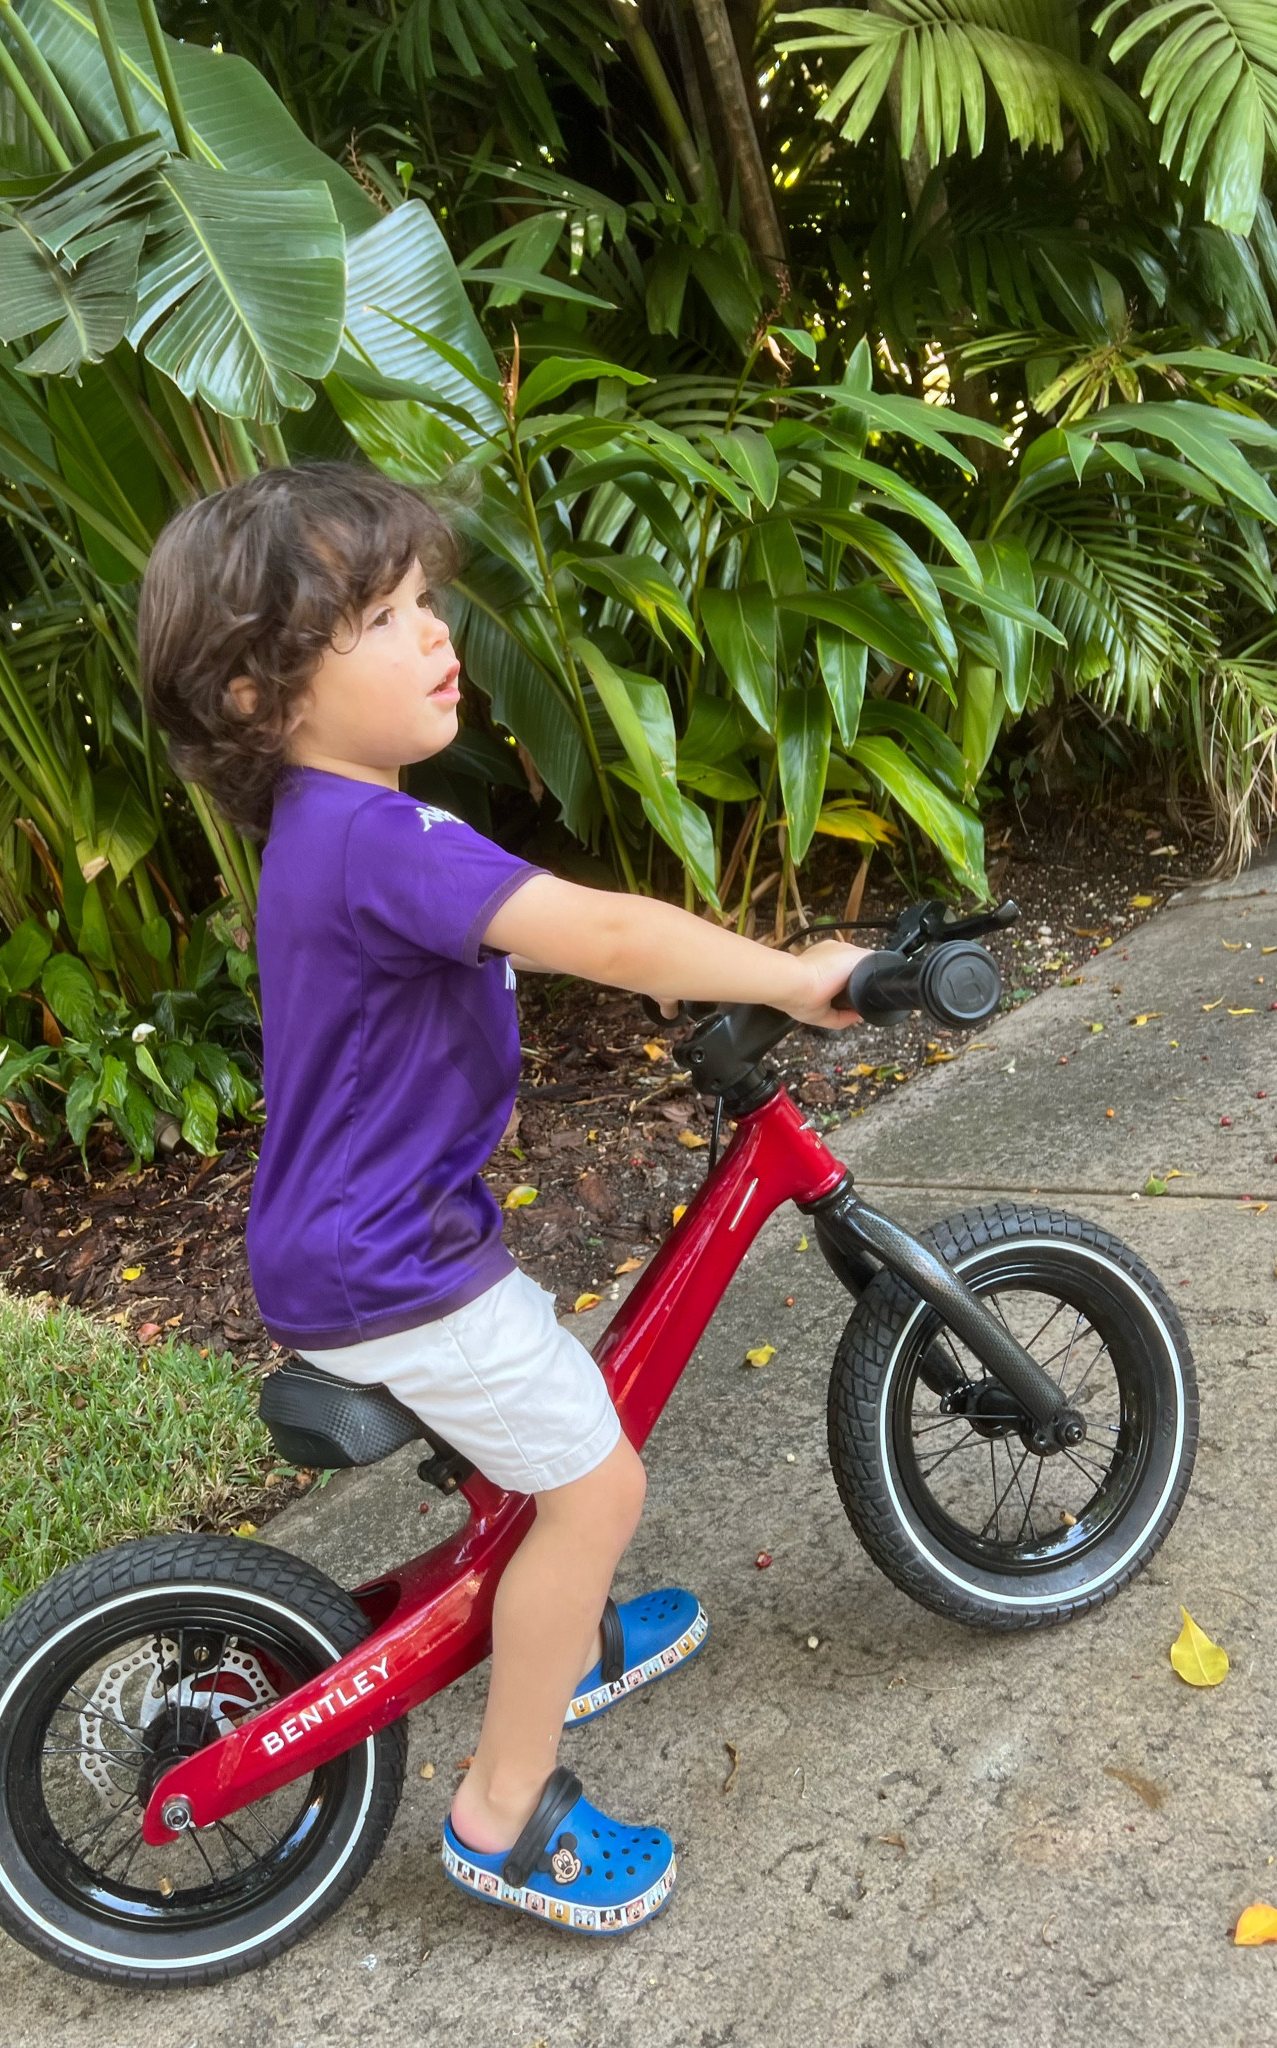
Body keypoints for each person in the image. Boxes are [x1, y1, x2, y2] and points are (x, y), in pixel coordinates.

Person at [138, 462, 867, 1935]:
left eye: (425, 603)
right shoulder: (382, 843)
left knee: (554, 1413)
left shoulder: (330, 834)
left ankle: (565, 1632)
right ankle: (502, 1808)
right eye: (382, 618)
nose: (433, 635)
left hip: (370, 1242)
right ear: (250, 697)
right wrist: (798, 976)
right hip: (392, 1265)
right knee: (598, 1484)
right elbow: (597, 928)